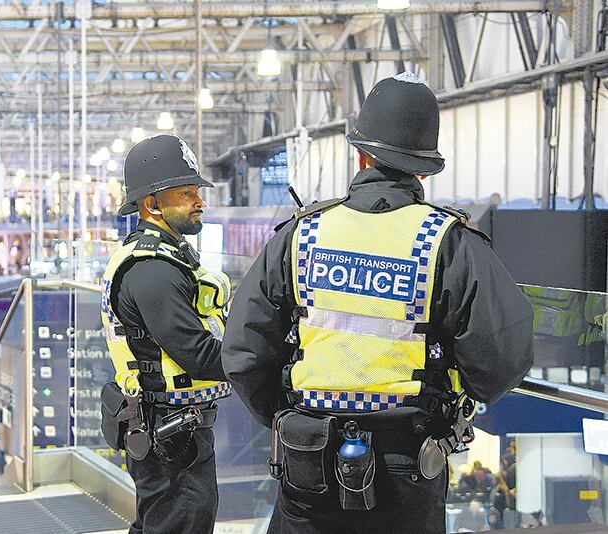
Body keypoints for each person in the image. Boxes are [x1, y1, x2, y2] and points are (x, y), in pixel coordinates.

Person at [221, 72, 535, 533]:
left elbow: (243, 353)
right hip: (407, 462)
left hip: (307, 456)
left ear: (359, 152)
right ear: (424, 168)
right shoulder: (448, 244)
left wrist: (287, 417)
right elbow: (504, 358)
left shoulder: (301, 236)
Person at [97, 134, 231, 534]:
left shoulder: (167, 257)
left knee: (161, 522)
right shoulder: (153, 271)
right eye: (186, 193)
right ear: (152, 204)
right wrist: (263, 357)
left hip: (171, 430)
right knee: (181, 520)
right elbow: (198, 354)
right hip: (171, 435)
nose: (199, 201)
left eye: (197, 191)